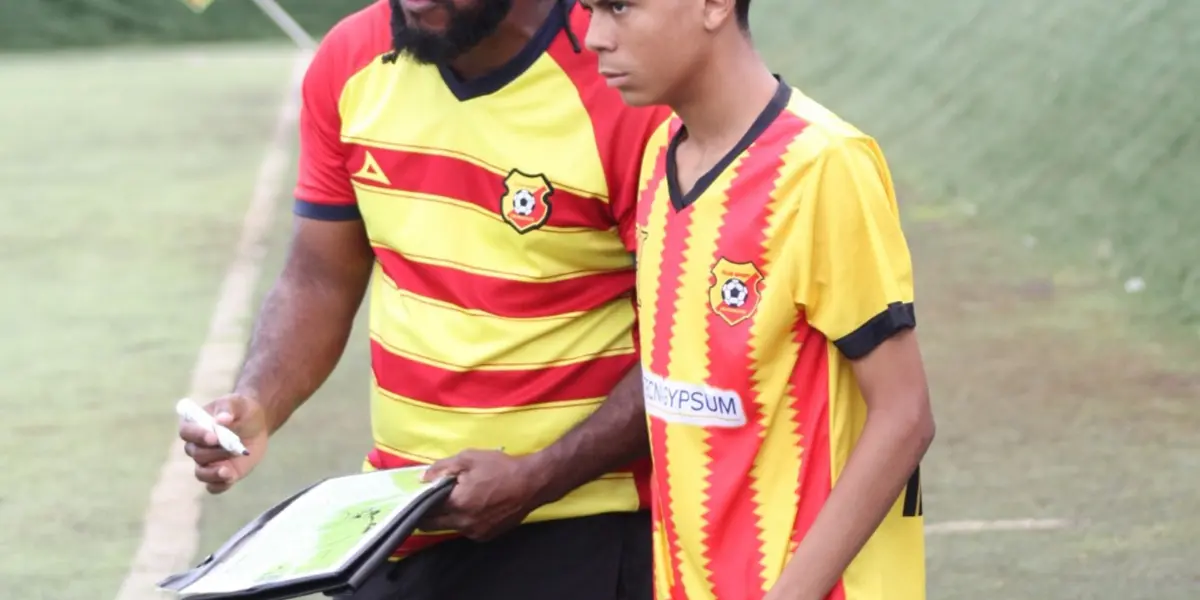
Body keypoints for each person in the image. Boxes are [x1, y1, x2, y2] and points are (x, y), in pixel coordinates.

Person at [177, 0, 670, 598]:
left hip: (587, 524)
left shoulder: (626, 78)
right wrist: (260, 402)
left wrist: (541, 477)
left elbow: (688, 341)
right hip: (398, 520)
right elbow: (319, 275)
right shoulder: (351, 58)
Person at [582, 0, 936, 599]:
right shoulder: (658, 157)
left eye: (620, 7)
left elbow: (904, 417)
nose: (594, 37)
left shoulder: (822, 166)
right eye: (590, 9)